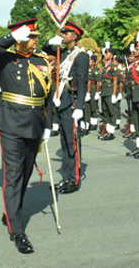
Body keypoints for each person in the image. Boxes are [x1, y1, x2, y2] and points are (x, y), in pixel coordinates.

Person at [0, 18, 51, 254]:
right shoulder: (4, 58)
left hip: (35, 124)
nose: (35, 41)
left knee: (26, 173)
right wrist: (12, 37)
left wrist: (49, 124)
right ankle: (17, 230)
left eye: (34, 37)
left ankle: (10, 212)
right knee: (13, 175)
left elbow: (48, 95)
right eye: (30, 37)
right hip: (11, 123)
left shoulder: (42, 61)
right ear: (20, 38)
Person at [42, 21, 89, 194]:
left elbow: (83, 82)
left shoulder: (80, 56)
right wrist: (49, 42)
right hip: (61, 101)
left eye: (66, 33)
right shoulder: (62, 53)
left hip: (72, 102)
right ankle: (66, 177)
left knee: (72, 142)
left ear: (74, 36)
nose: (63, 36)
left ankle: (73, 179)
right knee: (64, 141)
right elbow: (45, 48)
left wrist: (80, 106)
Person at [96, 43, 120, 140]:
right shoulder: (105, 67)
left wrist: (114, 94)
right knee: (105, 110)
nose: (104, 55)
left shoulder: (113, 66)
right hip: (105, 90)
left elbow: (115, 81)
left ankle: (111, 132)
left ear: (110, 56)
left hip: (110, 90)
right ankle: (107, 129)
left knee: (111, 111)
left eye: (106, 54)